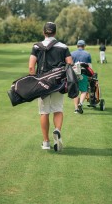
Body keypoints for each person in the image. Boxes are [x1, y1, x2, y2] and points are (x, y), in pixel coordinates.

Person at [29, 22, 73, 151]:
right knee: (58, 109)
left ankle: (46, 142)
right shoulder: (63, 47)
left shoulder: (36, 46)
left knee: (44, 112)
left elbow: (31, 67)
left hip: (42, 84)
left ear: (44, 32)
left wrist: (35, 81)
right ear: (55, 32)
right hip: (58, 84)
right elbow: (70, 64)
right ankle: (57, 130)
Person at [71, 40, 92, 114]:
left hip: (74, 74)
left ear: (77, 46)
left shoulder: (72, 53)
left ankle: (76, 109)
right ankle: (81, 103)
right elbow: (89, 66)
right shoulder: (87, 54)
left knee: (75, 91)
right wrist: (90, 75)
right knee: (84, 91)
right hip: (83, 73)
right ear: (84, 46)